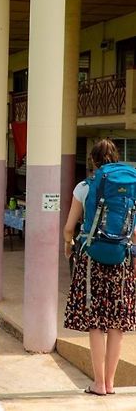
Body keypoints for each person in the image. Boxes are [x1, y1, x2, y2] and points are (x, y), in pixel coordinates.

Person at [63, 138, 136, 396]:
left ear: (93, 161)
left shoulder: (84, 187)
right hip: (122, 261)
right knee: (117, 323)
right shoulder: (130, 188)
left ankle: (99, 384)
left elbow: (69, 227)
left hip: (91, 259)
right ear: (116, 158)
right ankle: (112, 383)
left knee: (96, 322)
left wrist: (68, 245)